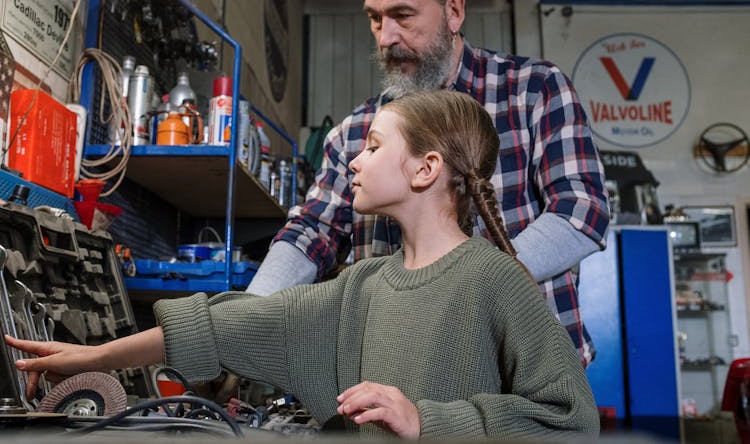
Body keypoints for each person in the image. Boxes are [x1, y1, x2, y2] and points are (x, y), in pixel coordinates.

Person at [6, 90, 599, 438]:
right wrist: (96, 357)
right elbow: (229, 324)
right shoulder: (365, 285)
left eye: (372, 147)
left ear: (425, 169)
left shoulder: (494, 280)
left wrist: (427, 421)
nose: (355, 163)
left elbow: (570, 419)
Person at [247, 0, 610, 367]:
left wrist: (466, 284)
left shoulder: (535, 92)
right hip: (402, 378)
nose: (385, 37)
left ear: (454, 11)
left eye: (402, 16)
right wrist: (247, 319)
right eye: (374, 18)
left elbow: (582, 211)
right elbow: (310, 233)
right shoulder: (355, 133)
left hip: (527, 378)